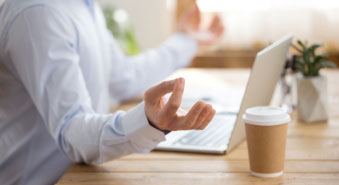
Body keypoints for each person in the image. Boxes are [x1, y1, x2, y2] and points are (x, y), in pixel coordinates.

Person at [0, 0, 224, 184]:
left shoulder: (82, 6)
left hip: (80, 174)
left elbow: (124, 77)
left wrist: (187, 40)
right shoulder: (38, 14)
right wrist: (148, 122)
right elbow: (71, 132)